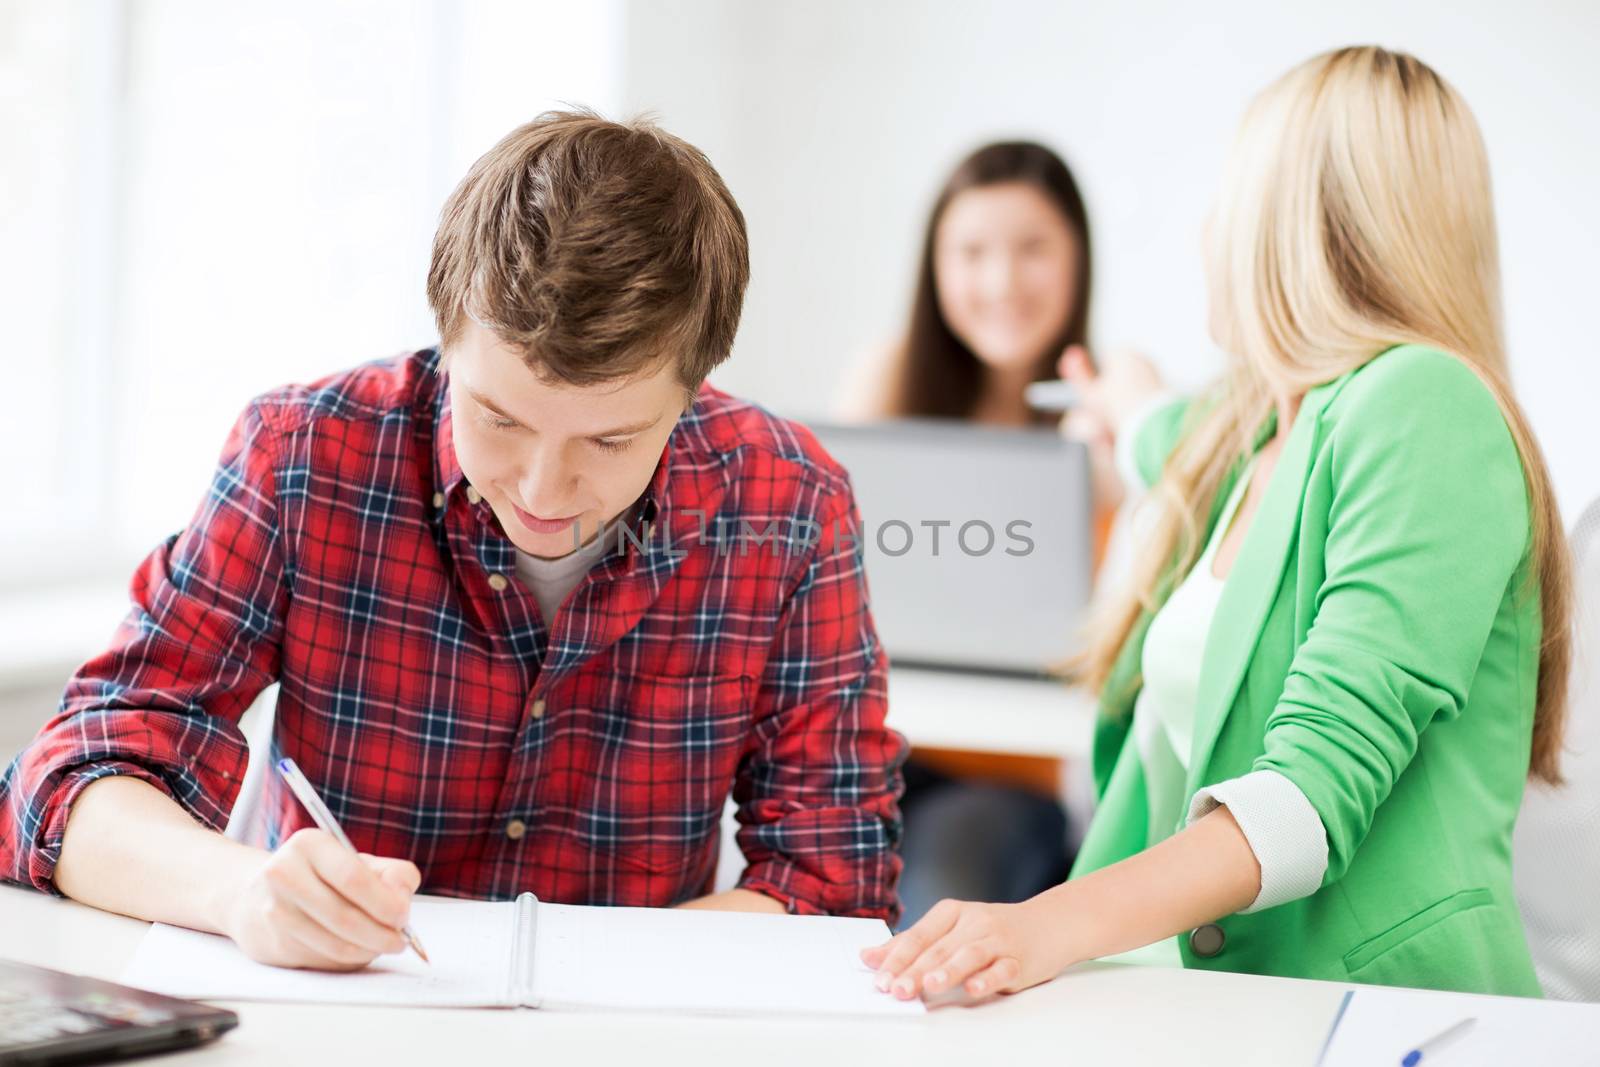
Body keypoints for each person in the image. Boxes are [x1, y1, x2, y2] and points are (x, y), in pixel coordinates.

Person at [0, 112, 907, 971]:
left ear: (696, 387)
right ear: (447, 334)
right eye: (499, 417)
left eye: (610, 440)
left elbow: (832, 880)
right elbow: (69, 778)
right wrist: (241, 892)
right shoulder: (307, 454)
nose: (543, 490)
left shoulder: (789, 501)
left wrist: (576, 978)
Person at [862, 45, 1571, 1000]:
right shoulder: (1262, 425)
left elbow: (1306, 797)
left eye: (1226, 197)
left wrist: (1043, 926)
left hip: (1362, 1008)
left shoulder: (1422, 405)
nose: (1205, 232)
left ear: (1294, 224)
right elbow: (1158, 431)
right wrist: (1126, 407)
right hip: (1190, 996)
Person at [838, 141, 1105, 929]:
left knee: (938, 906)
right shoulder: (885, 383)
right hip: (866, 758)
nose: (1000, 282)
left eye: (1032, 250)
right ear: (936, 268)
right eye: (971, 253)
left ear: (1077, 259)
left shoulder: (1105, 415)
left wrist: (1121, 455)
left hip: (1003, 780)